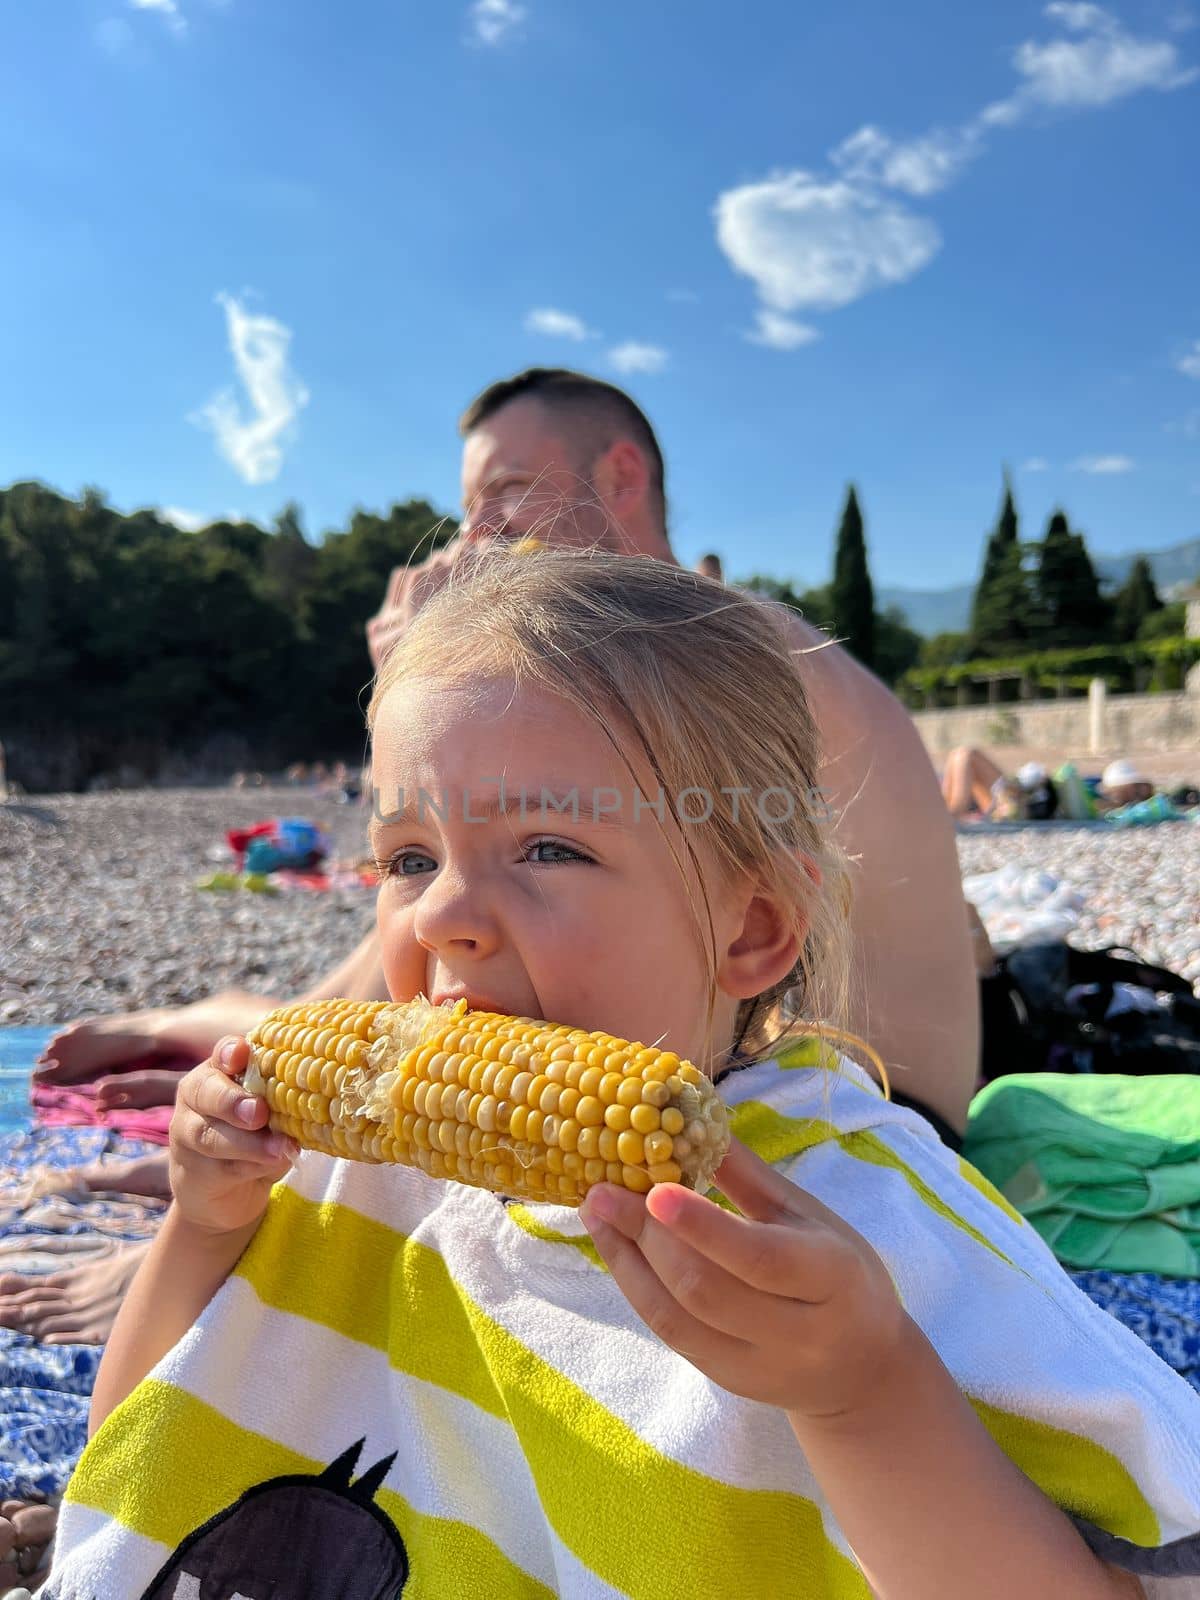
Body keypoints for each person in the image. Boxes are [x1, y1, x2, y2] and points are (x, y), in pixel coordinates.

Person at [41, 550, 1198, 1598]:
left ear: (750, 926)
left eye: (550, 846)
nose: (443, 912)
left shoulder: (862, 1225)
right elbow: (139, 1459)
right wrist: (203, 1224)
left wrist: (865, 1393)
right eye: (408, 856)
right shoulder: (350, 1177)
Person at [38, 369, 977, 1149]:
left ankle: (218, 1032)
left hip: (868, 1118)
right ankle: (200, 1028)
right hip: (719, 1061)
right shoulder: (675, 650)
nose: (477, 538)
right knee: (453, 900)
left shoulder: (714, 651)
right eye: (469, 512)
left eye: (505, 498)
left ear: (620, 475)